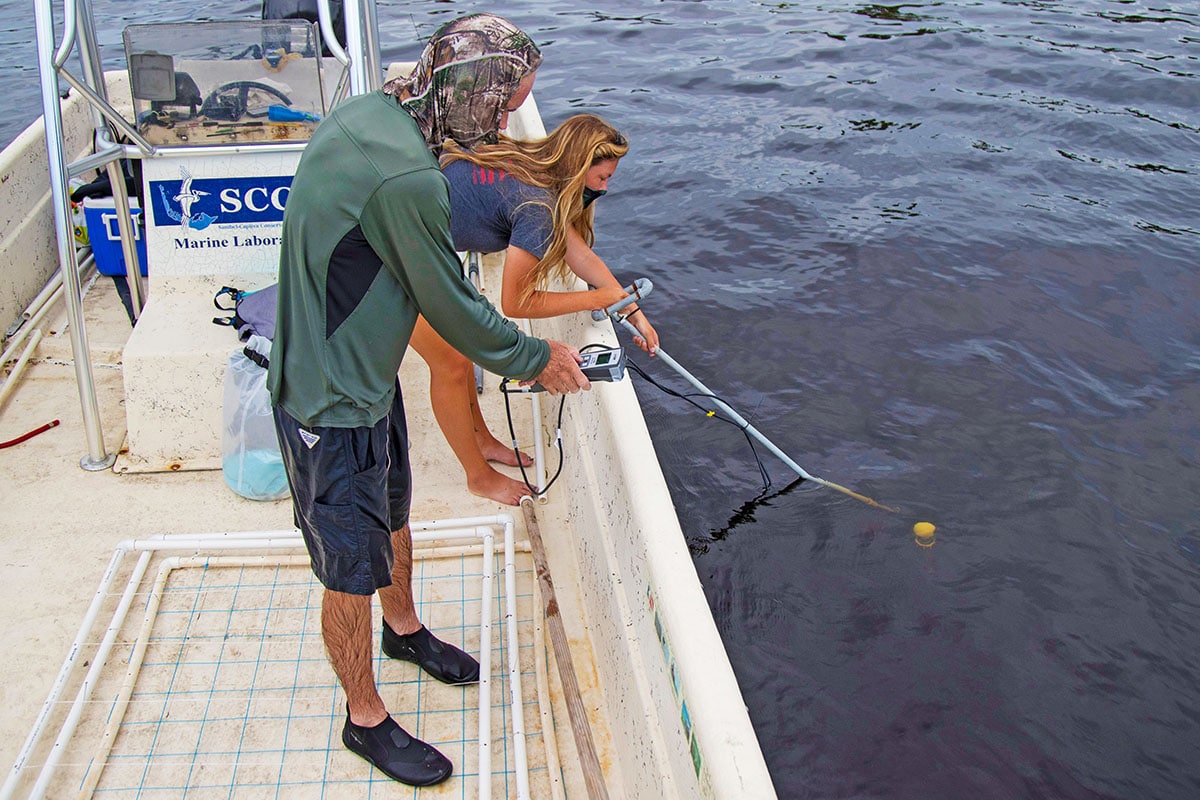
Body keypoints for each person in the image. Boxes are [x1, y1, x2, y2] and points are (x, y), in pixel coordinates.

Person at [267, 13, 589, 788]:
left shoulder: (373, 114)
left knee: (393, 512)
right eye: (504, 104)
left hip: (369, 375)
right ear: (474, 92)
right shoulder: (407, 179)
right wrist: (537, 358)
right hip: (328, 400)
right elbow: (451, 306)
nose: (505, 122)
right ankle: (364, 718)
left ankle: (403, 628)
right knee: (348, 568)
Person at [409, 113, 660, 505]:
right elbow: (517, 301)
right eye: (602, 178)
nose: (605, 188)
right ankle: (478, 477)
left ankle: (483, 441)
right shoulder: (538, 206)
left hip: (420, 241)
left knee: (463, 350)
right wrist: (594, 299)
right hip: (389, 248)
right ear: (578, 167)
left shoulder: (534, 169)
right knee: (452, 364)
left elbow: (581, 256)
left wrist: (632, 311)